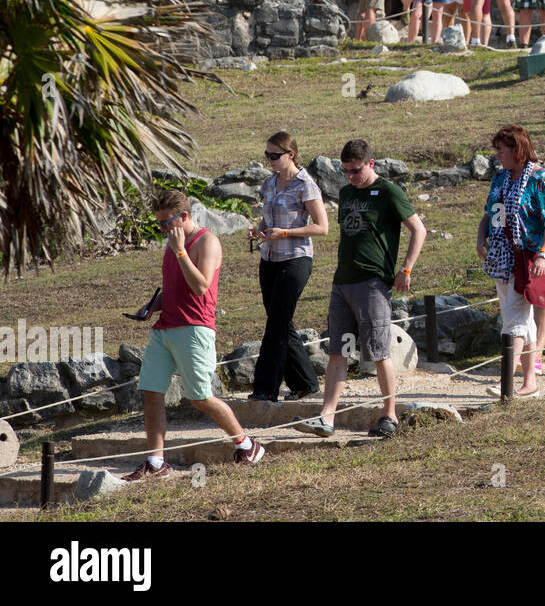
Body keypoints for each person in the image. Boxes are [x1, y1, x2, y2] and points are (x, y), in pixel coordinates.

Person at [125, 191, 265, 479]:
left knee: (200, 396)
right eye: (159, 224)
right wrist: (153, 305)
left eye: (167, 223)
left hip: (194, 327)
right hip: (165, 327)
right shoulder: (173, 244)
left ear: (184, 217)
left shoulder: (206, 242)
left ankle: (247, 445)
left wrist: (180, 252)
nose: (163, 229)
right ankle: (155, 463)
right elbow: (175, 286)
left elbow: (200, 286)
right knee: (151, 392)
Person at [294, 139, 426, 438]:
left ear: (371, 164)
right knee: (338, 350)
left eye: (355, 170)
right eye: (346, 171)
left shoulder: (389, 191)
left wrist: (406, 268)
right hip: (343, 281)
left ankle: (389, 415)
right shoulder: (346, 192)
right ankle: (327, 417)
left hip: (373, 282)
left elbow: (418, 229)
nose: (351, 176)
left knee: (379, 351)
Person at [476, 125, 545, 397]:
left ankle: (507, 380)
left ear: (517, 149)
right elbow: (490, 212)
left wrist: (544, 254)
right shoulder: (500, 179)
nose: (498, 155)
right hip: (502, 258)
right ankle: (530, 382)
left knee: (514, 319)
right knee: (521, 318)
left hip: (529, 259)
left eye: (502, 150)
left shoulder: (540, 179)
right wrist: (480, 238)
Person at [248, 132, 328, 402]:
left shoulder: (306, 184)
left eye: (274, 155)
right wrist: (259, 231)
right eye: (267, 155)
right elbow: (266, 220)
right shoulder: (269, 183)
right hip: (269, 258)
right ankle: (305, 382)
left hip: (295, 259)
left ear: (290, 155)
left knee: (277, 323)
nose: (269, 160)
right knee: (281, 321)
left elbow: (322, 227)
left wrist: (284, 233)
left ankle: (265, 388)